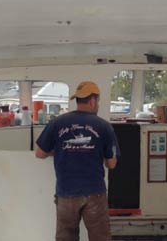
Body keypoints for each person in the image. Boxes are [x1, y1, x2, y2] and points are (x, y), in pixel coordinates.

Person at [35, 81, 119, 241]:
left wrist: (60, 150)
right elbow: (112, 164)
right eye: (98, 101)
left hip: (66, 194)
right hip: (94, 193)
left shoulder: (57, 123)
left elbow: (40, 153)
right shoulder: (105, 127)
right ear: (93, 101)